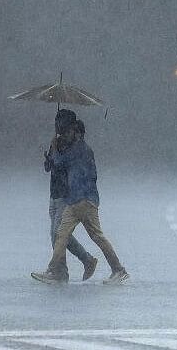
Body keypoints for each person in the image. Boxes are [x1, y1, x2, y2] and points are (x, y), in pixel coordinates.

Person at [32, 120, 129, 284]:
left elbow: (59, 162)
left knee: (95, 236)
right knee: (61, 235)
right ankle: (55, 270)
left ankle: (118, 269)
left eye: (69, 132)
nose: (66, 135)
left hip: (85, 200)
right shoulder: (81, 149)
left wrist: (54, 147)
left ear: (78, 133)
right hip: (75, 201)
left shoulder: (79, 150)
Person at [42, 109, 97, 281]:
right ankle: (83, 261)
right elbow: (50, 167)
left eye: (61, 123)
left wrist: (56, 158)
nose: (58, 127)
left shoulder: (73, 146)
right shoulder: (56, 142)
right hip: (55, 193)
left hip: (67, 194)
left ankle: (60, 270)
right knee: (59, 234)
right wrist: (48, 160)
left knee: (57, 234)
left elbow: (65, 166)